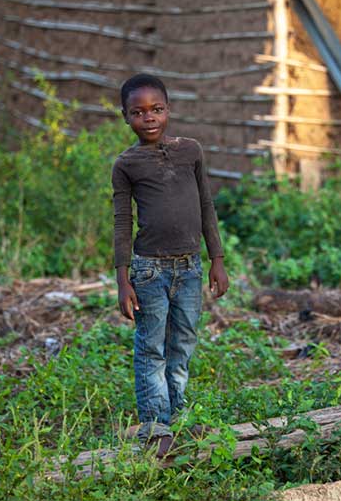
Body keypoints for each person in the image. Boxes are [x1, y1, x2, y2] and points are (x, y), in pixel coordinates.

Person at [112, 73, 229, 457]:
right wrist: (122, 280)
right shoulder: (126, 164)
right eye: (139, 112)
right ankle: (155, 426)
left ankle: (177, 417)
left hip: (190, 268)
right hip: (148, 270)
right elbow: (122, 221)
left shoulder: (190, 151)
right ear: (125, 116)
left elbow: (206, 206)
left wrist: (217, 260)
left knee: (182, 343)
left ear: (169, 110)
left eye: (157, 109)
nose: (149, 118)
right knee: (151, 349)